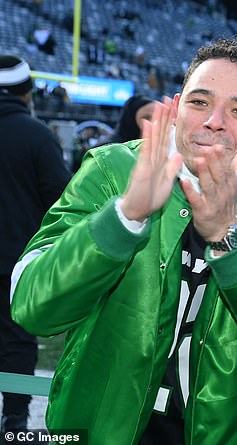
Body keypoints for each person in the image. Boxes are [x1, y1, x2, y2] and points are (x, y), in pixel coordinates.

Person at [10, 39, 237, 445]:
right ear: (177, 107)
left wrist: (230, 238)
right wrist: (124, 216)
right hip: (93, 431)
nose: (214, 121)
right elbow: (32, 307)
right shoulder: (113, 169)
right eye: (199, 102)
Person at [0, 55, 71, 434]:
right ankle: (14, 419)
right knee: (16, 340)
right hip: (15, 260)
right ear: (27, 94)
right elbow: (62, 200)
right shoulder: (37, 135)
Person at [73, 95, 156, 171]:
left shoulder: (157, 150)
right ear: (130, 119)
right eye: (147, 117)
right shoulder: (104, 151)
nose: (153, 123)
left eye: (156, 117)